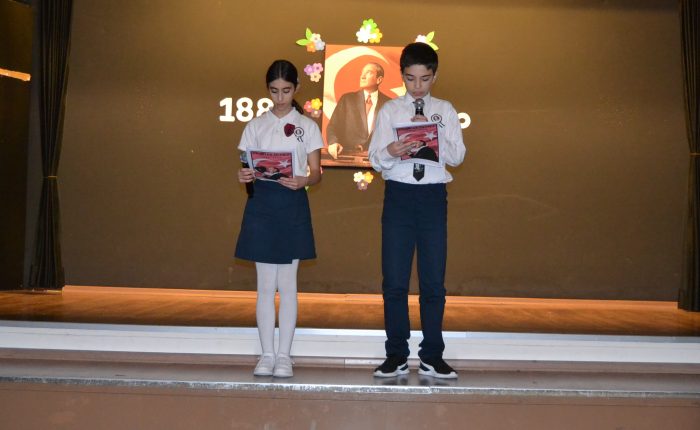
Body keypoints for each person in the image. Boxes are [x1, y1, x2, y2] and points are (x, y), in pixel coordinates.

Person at [368, 43, 466, 379]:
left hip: (432, 197)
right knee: (395, 281)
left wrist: (435, 133)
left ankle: (432, 356)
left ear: (434, 76)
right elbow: (375, 158)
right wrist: (392, 150)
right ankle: (396, 354)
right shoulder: (390, 111)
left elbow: (458, 157)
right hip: (399, 195)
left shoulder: (445, 110)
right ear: (402, 76)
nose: (418, 86)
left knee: (433, 282)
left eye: (424, 79)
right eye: (411, 79)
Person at [235, 59, 323, 378]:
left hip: (292, 203)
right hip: (262, 204)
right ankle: (266, 354)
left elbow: (316, 172)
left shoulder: (308, 126)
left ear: (297, 88)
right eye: (274, 91)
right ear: (268, 90)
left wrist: (304, 180)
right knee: (264, 285)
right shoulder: (255, 125)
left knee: (287, 284)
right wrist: (244, 174)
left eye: (286, 90)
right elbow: (246, 166)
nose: (281, 97)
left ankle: (284, 355)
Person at [326, 62, 391, 159]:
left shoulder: (389, 104)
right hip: (347, 158)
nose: (362, 76)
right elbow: (332, 126)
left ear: (379, 79)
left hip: (378, 159)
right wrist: (333, 142)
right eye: (362, 73)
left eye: (368, 72)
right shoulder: (347, 99)